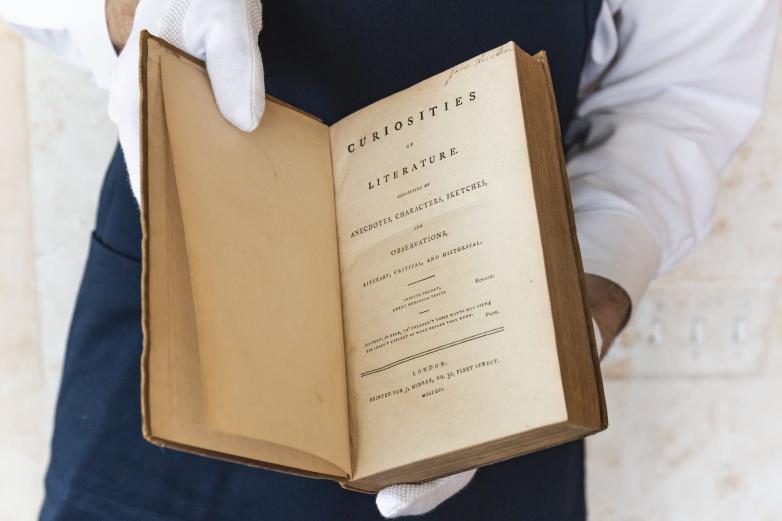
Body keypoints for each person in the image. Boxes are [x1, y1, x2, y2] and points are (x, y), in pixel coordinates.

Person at [1, 0, 779, 519]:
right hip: (186, 317)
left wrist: (569, 326)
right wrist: (138, 7)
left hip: (491, 347)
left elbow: (676, 100)